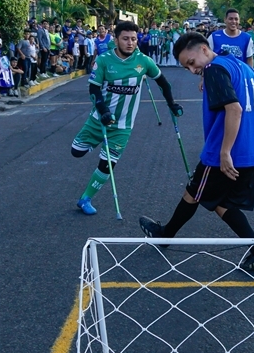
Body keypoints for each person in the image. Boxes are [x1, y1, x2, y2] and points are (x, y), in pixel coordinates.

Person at [138, 31, 254, 271]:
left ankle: (165, 235)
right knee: (216, 199)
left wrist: (225, 151)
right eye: (186, 67)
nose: (192, 70)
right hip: (250, 152)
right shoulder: (242, 67)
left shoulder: (214, 69)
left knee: (197, 193)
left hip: (225, 152)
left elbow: (235, 109)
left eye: (191, 62)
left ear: (204, 50)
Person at [70, 21, 183, 216]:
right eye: (125, 39)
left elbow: (163, 83)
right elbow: (94, 88)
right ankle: (93, 143)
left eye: (133, 39)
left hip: (123, 126)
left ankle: (85, 198)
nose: (130, 43)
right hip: (98, 120)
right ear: (116, 40)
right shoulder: (104, 60)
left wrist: (172, 103)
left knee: (107, 164)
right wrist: (103, 109)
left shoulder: (144, 61)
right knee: (77, 152)